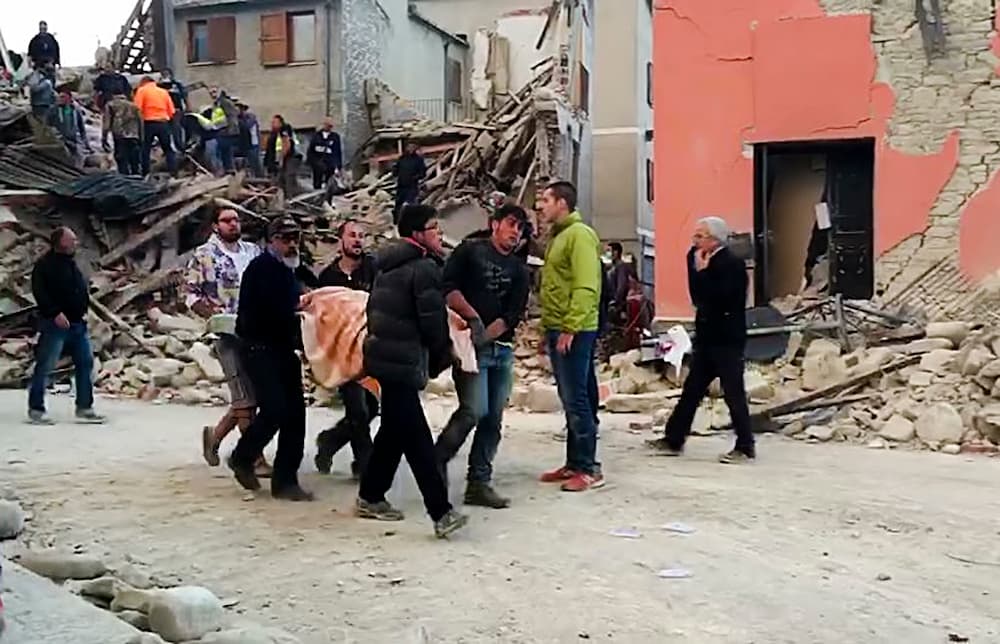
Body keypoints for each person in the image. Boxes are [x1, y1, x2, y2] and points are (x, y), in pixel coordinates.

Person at [356, 204, 468, 538]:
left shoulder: (387, 265)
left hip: (384, 358)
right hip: (402, 362)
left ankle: (371, 495)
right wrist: (443, 357)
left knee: (393, 432)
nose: (439, 234)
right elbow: (433, 323)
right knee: (417, 438)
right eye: (434, 227)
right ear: (418, 234)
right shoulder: (423, 269)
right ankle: (441, 512)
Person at [435, 204, 530, 509]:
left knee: (493, 419)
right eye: (511, 224)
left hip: (500, 351)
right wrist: (472, 320)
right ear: (495, 224)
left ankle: (479, 482)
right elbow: (447, 288)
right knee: (473, 410)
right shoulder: (469, 252)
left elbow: (512, 315)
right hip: (466, 346)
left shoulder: (520, 270)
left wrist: (485, 336)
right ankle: (436, 462)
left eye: (520, 228)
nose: (515, 232)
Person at [646, 217, 756, 464]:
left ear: (714, 239)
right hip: (706, 336)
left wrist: (705, 274)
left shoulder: (733, 264)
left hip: (728, 338)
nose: (695, 241)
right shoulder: (693, 257)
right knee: (692, 390)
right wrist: (699, 272)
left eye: (700, 236)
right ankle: (674, 438)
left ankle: (745, 445)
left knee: (733, 392)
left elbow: (725, 299)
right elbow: (697, 296)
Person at [228, 217, 313, 501]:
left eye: (294, 239)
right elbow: (273, 311)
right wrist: (299, 307)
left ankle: (286, 480)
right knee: (275, 408)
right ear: (271, 241)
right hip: (259, 347)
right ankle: (243, 456)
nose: (291, 244)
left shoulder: (289, 270)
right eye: (285, 239)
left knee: (296, 415)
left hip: (282, 348)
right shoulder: (262, 268)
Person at [184, 205, 272, 478]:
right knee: (244, 397)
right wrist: (213, 315)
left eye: (236, 220)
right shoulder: (204, 255)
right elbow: (190, 294)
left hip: (256, 330)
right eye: (226, 220)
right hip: (226, 333)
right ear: (215, 226)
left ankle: (216, 435)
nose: (233, 224)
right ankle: (253, 458)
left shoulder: (253, 252)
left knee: (253, 394)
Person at [536, 181, 605, 492]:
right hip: (559, 325)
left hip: (575, 329)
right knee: (573, 395)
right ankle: (574, 462)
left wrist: (570, 327)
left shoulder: (579, 236)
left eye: (546, 200)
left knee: (577, 397)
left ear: (562, 203)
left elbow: (586, 285)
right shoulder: (560, 236)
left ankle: (588, 468)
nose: (541, 207)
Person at [314, 220, 379, 479]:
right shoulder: (328, 277)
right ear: (340, 240)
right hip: (343, 353)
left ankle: (330, 441)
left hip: (372, 351)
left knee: (372, 408)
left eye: (362, 236)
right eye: (352, 235)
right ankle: (365, 467)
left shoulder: (373, 271)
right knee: (358, 410)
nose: (357, 240)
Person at [27, 227, 105, 425]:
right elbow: (40, 293)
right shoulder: (44, 266)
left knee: (85, 362)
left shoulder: (71, 263)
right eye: (72, 240)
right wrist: (54, 313)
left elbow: (79, 289)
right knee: (46, 365)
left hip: (78, 323)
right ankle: (36, 409)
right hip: (55, 324)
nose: (76, 243)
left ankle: (85, 407)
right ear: (60, 242)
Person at [134, 76, 176, 176]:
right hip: (163, 122)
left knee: (145, 148)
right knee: (168, 149)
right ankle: (173, 172)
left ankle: (145, 173)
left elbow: (137, 108)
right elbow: (172, 111)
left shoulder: (142, 90)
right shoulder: (163, 92)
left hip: (149, 123)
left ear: (143, 82)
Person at [102, 90, 142, 176]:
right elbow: (140, 122)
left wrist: (104, 138)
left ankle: (125, 178)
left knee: (121, 158)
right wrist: (142, 137)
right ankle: (136, 176)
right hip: (134, 135)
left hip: (119, 135)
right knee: (134, 158)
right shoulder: (134, 106)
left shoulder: (111, 105)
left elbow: (106, 124)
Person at [46, 89, 89, 166]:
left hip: (75, 139)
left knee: (79, 158)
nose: (59, 99)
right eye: (59, 97)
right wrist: (56, 136)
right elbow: (48, 124)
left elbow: (81, 126)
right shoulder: (53, 109)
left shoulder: (75, 109)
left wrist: (85, 141)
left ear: (69, 98)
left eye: (62, 97)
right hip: (62, 139)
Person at [264, 115, 300, 196]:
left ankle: (291, 197)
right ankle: (282, 196)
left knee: (288, 177)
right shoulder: (273, 134)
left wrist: (281, 160)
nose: (272, 124)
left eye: (274, 122)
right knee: (280, 179)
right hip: (282, 158)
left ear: (280, 123)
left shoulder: (284, 129)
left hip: (291, 156)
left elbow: (286, 144)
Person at [208, 86, 240, 173]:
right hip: (220, 130)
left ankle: (223, 170)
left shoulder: (225, 102)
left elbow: (231, 117)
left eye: (214, 92)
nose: (212, 95)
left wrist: (230, 131)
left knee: (220, 151)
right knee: (225, 152)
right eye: (211, 93)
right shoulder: (216, 104)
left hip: (226, 132)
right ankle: (228, 170)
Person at [306, 117, 343, 190]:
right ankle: (317, 194)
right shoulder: (316, 136)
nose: (328, 127)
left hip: (329, 163)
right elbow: (311, 150)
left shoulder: (335, 137)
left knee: (329, 182)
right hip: (318, 162)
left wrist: (338, 166)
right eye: (326, 125)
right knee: (317, 181)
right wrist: (311, 162)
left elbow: (337, 152)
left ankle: (328, 195)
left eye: (330, 125)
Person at [393, 142, 426, 223]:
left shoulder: (418, 160)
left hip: (412, 186)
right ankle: (397, 221)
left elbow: (423, 173)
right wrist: (395, 172)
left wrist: (415, 178)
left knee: (411, 204)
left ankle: (412, 222)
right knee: (398, 204)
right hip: (401, 185)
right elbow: (396, 169)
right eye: (409, 147)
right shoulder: (402, 158)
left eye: (412, 147)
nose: (410, 149)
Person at [159, 68, 187, 152]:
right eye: (164, 74)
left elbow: (184, 96)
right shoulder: (159, 86)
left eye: (167, 74)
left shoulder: (177, 85)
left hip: (176, 109)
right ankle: (167, 148)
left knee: (176, 129)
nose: (166, 76)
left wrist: (187, 106)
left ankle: (180, 147)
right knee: (166, 130)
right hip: (163, 111)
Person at [237, 101, 263, 177]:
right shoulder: (239, 119)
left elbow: (246, 126)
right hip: (245, 145)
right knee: (248, 165)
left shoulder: (250, 117)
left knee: (256, 164)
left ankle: (260, 179)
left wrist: (238, 121)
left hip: (253, 144)